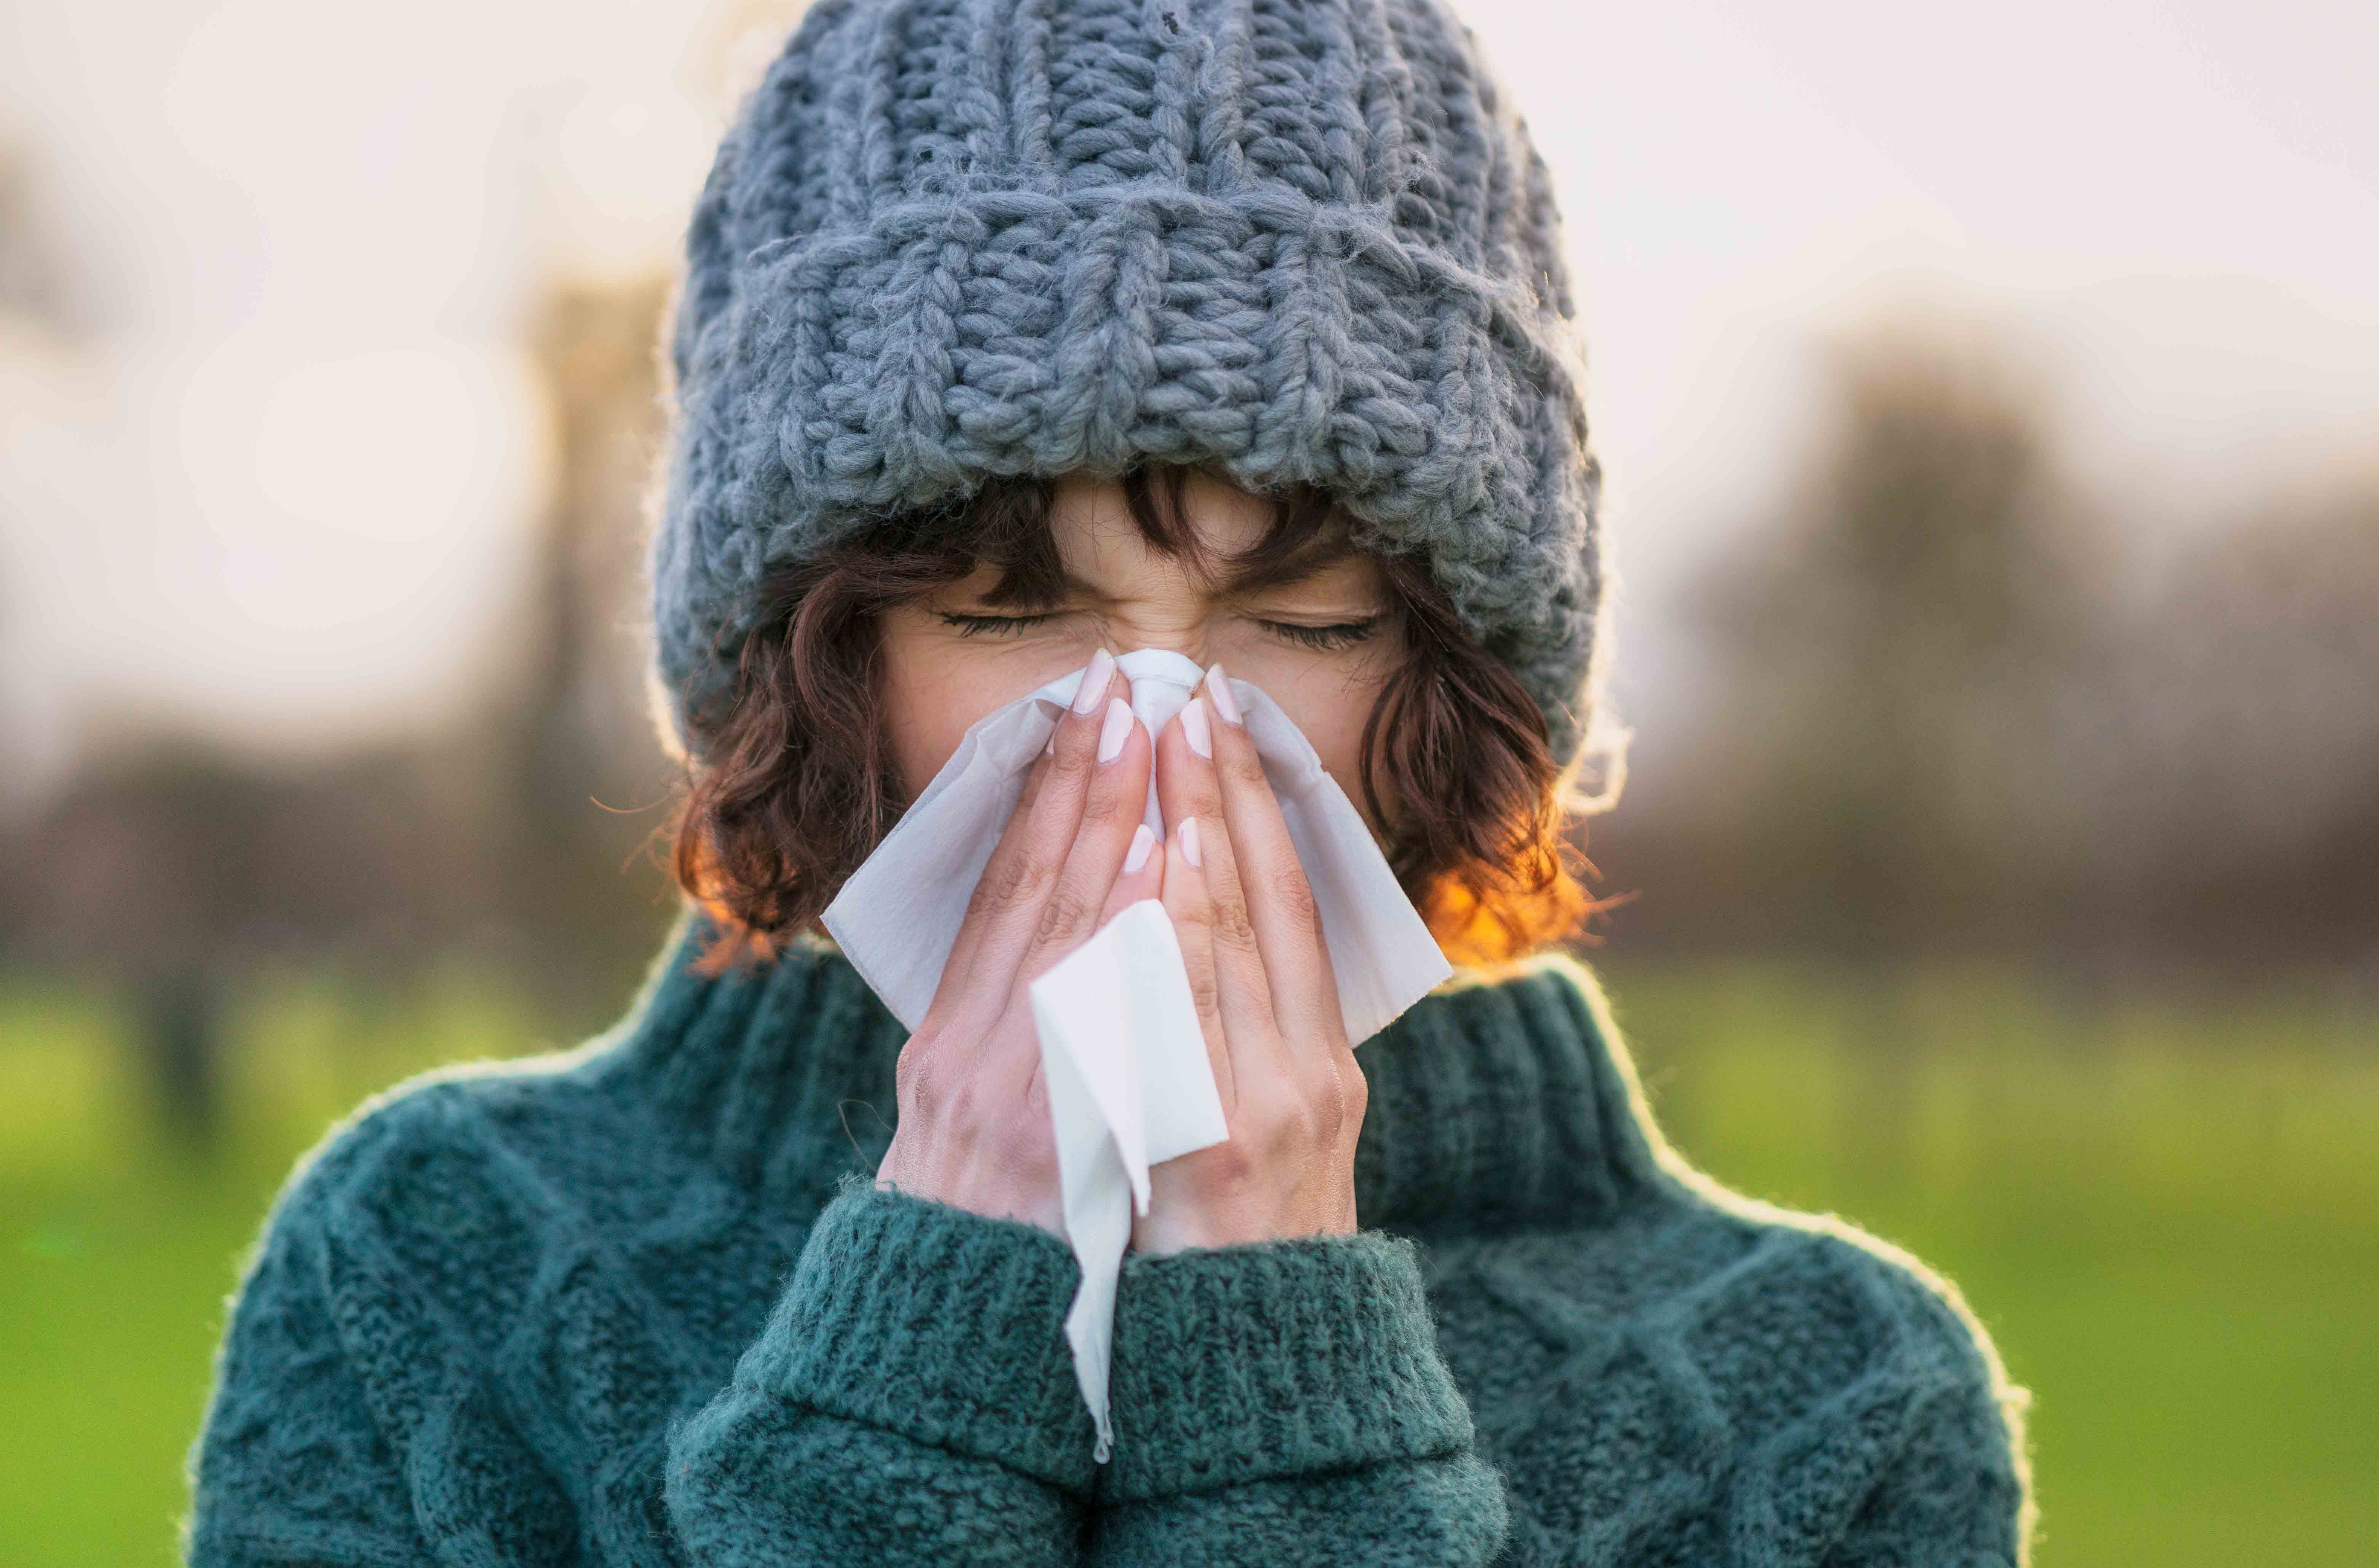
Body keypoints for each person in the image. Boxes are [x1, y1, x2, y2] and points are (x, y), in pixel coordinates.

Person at [185, 1, 2032, 1563]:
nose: (1155, 733)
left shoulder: (1827, 1400)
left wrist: (1280, 1371)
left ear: (1455, 668)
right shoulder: (432, 1264)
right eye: (1014, 607)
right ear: (816, 652)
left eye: (1298, 619)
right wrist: (927, 1318)